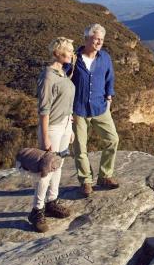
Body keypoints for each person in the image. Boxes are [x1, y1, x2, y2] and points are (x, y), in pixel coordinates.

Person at [67, 23, 119, 197]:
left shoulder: (105, 58)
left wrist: (109, 98)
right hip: (79, 109)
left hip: (100, 107)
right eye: (96, 39)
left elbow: (109, 78)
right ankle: (86, 181)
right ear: (86, 38)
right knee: (80, 148)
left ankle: (105, 176)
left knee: (112, 140)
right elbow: (63, 81)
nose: (99, 42)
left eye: (101, 39)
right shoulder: (74, 59)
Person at [29, 37, 75, 233]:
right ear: (57, 53)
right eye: (68, 51)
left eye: (72, 50)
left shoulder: (62, 73)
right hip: (53, 128)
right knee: (46, 170)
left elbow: (67, 103)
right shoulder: (48, 76)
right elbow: (44, 108)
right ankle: (37, 210)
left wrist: (70, 127)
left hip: (64, 125)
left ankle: (52, 202)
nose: (72, 53)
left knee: (59, 165)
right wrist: (45, 135)